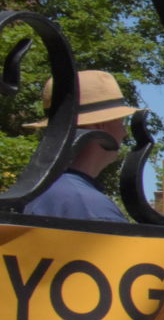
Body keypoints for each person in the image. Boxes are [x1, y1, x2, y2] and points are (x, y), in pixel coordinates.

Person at [21, 71, 138, 222]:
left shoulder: (35, 191)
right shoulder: (88, 205)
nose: (124, 132)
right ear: (100, 125)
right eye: (121, 122)